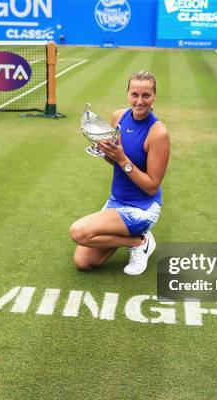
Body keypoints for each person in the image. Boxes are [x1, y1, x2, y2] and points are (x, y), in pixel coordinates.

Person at [70, 71, 170, 275]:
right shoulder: (119, 117)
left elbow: (151, 186)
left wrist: (122, 158)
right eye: (135, 94)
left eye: (146, 95)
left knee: (78, 232)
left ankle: (138, 242)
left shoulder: (158, 133)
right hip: (116, 201)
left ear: (154, 97)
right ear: (128, 94)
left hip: (142, 208)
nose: (140, 101)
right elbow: (113, 160)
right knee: (83, 262)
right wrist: (104, 150)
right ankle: (139, 240)